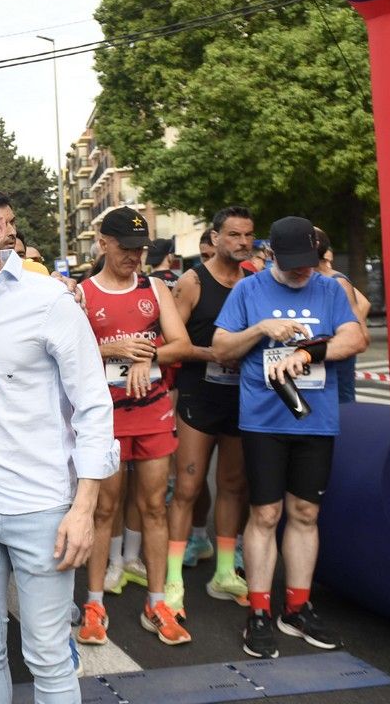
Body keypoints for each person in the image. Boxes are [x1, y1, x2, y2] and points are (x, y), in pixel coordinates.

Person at [0, 185, 117, 704]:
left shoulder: (49, 300)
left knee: (49, 657)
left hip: (42, 505)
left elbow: (94, 406)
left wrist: (84, 507)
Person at [213, 216, 367, 659]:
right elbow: (222, 349)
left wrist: (307, 350)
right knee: (265, 514)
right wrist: (261, 330)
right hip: (264, 420)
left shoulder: (328, 288)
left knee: (304, 512)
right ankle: (259, 611)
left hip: (315, 420)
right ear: (271, 255)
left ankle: (296, 607)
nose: (304, 271)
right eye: (295, 263)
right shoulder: (249, 290)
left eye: (311, 262)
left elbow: (354, 338)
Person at [77, 207, 193, 647]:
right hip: (105, 418)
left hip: (153, 412)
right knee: (103, 509)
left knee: (154, 507)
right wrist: (110, 350)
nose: (133, 257)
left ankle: (158, 602)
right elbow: (67, 356)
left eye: (140, 249)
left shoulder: (156, 287)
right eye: (125, 248)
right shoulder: (83, 293)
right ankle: (93, 603)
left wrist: (149, 356)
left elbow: (182, 343)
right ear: (103, 243)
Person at [166, 207, 255, 619]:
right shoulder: (192, 281)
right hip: (198, 396)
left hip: (241, 398)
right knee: (187, 487)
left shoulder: (255, 283)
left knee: (233, 485)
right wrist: (219, 352)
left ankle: (223, 572)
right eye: (234, 235)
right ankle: (171, 582)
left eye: (248, 235)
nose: (242, 242)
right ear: (215, 238)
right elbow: (175, 342)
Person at [313, 228, 370, 405]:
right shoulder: (306, 279)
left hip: (337, 365)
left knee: (342, 411)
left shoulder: (336, 281)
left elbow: (362, 331)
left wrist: (341, 332)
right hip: (315, 364)